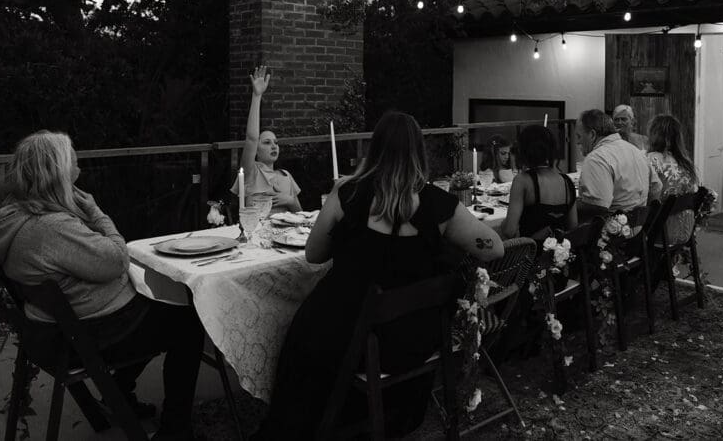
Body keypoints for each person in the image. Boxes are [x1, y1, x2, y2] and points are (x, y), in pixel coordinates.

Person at [257, 111, 504, 439]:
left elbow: (314, 255)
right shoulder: (436, 204)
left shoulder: (348, 194)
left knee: (305, 330)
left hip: (345, 339)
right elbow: (494, 248)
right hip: (412, 338)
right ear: (418, 151)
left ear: (374, 150)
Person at [0, 131, 202, 441]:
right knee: (186, 322)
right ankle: (175, 430)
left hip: (50, 329)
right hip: (90, 332)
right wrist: (95, 211)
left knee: (162, 306)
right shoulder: (50, 228)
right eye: (73, 164)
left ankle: (119, 393)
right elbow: (116, 259)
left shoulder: (11, 216)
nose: (78, 171)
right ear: (55, 173)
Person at [231, 65, 302, 213]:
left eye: (276, 143)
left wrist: (289, 200)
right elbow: (251, 138)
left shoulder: (286, 175)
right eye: (267, 142)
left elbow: (300, 213)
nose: (274, 146)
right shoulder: (252, 171)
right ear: (256, 150)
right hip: (258, 230)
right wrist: (257, 96)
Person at [576, 109, 661, 226]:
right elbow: (656, 187)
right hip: (637, 234)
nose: (577, 142)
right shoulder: (636, 151)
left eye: (579, 136)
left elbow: (598, 207)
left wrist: (569, 205)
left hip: (611, 238)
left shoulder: (596, 158)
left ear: (592, 135)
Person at [502, 125, 577, 242]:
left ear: (523, 151)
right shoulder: (567, 181)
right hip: (559, 254)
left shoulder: (522, 181)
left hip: (530, 255)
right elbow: (573, 227)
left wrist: (503, 224)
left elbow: (509, 231)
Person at [646, 115, 700, 245]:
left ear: (654, 134)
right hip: (686, 229)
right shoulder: (686, 163)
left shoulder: (649, 159)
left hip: (660, 231)